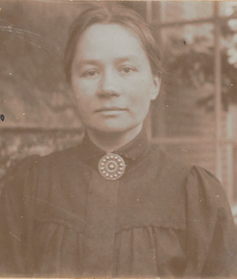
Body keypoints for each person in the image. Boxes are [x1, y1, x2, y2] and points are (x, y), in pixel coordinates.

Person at [0, 3, 236, 278]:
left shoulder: (196, 195)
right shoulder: (29, 186)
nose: (108, 88)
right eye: (90, 72)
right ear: (70, 86)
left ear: (154, 83)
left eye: (126, 69)